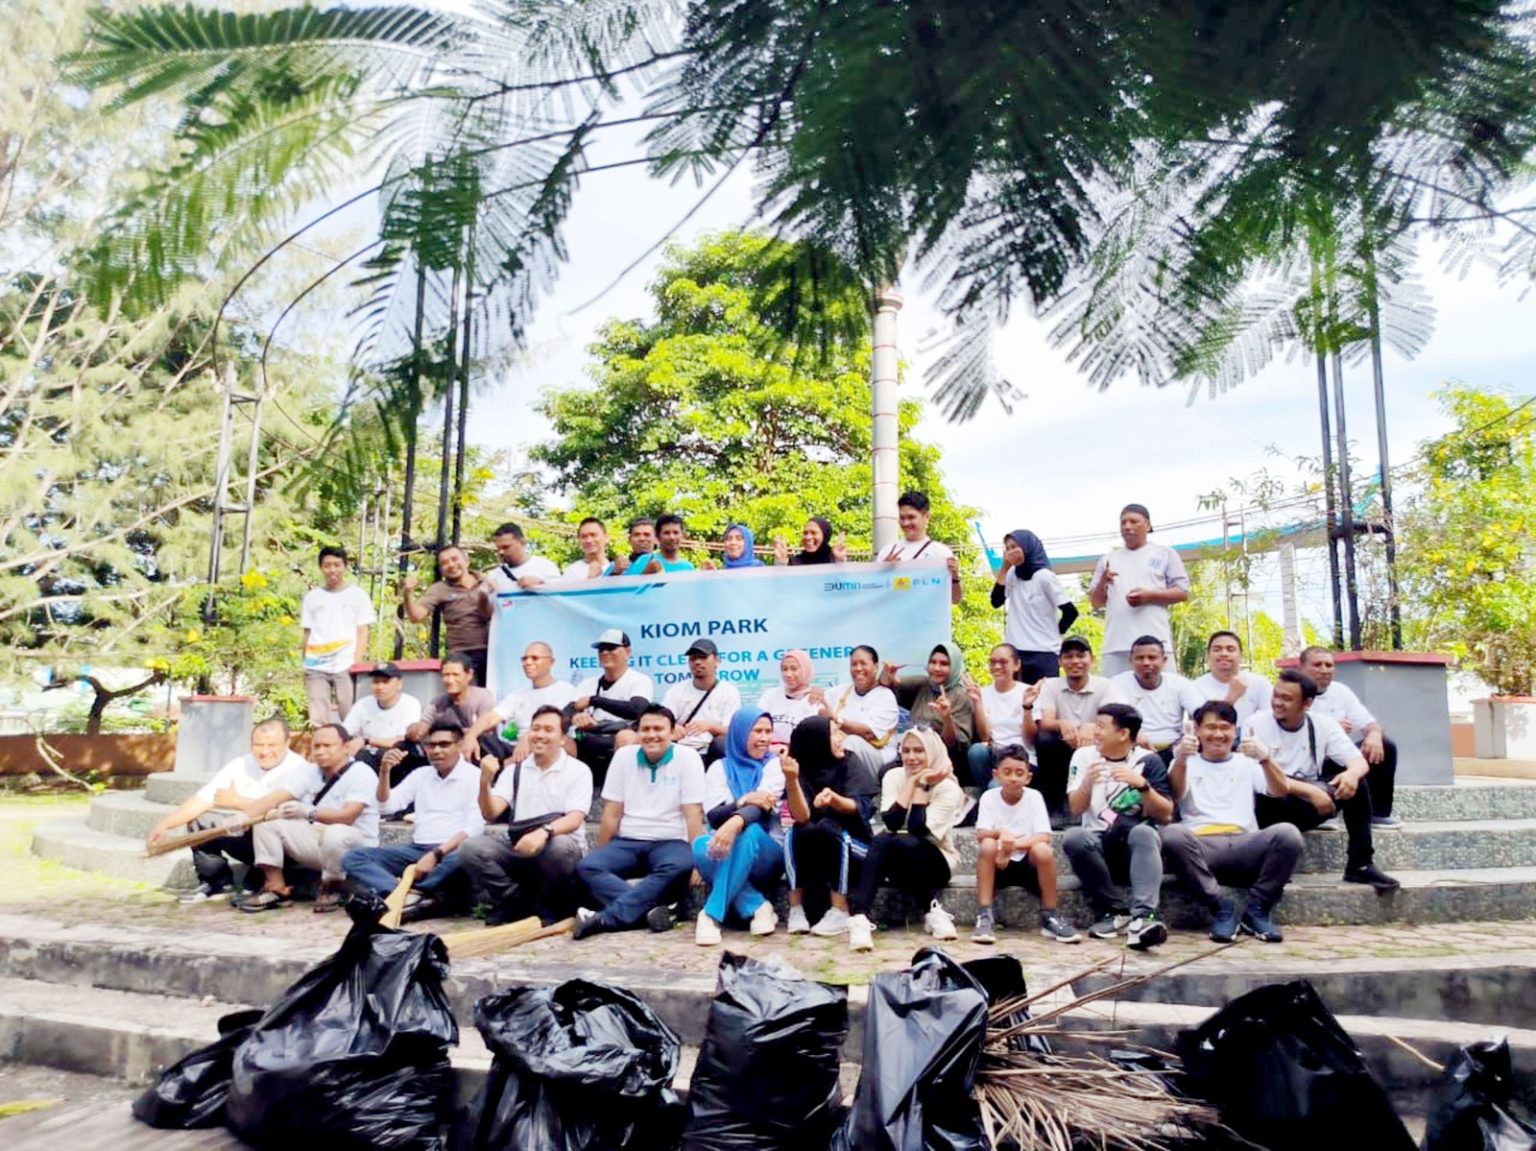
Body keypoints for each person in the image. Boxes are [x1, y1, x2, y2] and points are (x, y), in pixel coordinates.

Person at [1159, 701, 1303, 943]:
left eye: (1225, 727)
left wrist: (1266, 758)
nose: (1218, 734)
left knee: (1288, 834)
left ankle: (1257, 908)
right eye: (1210, 727)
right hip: (1202, 844)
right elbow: (1174, 795)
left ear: (1235, 730)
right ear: (1197, 730)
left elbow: (1279, 790)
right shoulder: (1184, 762)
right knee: (1172, 833)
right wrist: (1181, 759)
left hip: (1244, 842)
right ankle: (1220, 906)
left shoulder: (1247, 762)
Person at [1246, 669, 1401, 891]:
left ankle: (1361, 864)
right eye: (1276, 695)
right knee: (1270, 789)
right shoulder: (1256, 724)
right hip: (1269, 806)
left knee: (1356, 784)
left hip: (1309, 803)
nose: (1277, 703)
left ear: (1306, 704)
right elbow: (1256, 778)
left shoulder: (1323, 724)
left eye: (1286, 698)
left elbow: (1359, 762)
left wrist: (1351, 775)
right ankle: (1271, 865)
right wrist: (1311, 792)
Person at [573, 704, 706, 939]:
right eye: (645, 729)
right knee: (587, 867)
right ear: (637, 731)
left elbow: (693, 813)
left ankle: (604, 919)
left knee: (679, 867)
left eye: (658, 728)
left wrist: (698, 861)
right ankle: (651, 912)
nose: (651, 734)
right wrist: (601, 853)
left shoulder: (688, 757)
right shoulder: (624, 757)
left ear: (673, 731)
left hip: (671, 842)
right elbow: (612, 813)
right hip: (629, 841)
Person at [147, 717, 312, 903]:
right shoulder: (240, 764)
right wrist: (165, 825)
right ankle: (216, 882)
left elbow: (283, 812)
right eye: (258, 745)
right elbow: (204, 798)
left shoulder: (301, 769)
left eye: (272, 745)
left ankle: (269, 882)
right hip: (246, 838)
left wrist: (238, 802)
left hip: (286, 847)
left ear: (287, 743)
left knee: (269, 825)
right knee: (202, 820)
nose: (265, 751)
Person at [459, 706, 592, 925]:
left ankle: (550, 905)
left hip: (560, 851)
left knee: (559, 847)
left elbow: (575, 818)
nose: (540, 735)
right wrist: (484, 782)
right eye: (535, 728)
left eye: (548, 730)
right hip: (521, 849)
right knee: (471, 848)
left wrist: (544, 832)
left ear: (561, 738)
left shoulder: (577, 770)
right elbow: (491, 812)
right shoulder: (515, 770)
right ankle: (513, 901)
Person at [342, 721, 485, 919]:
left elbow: (475, 827)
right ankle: (406, 895)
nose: (436, 750)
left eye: (444, 745)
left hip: (450, 850)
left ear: (459, 746)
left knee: (463, 856)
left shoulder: (474, 776)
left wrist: (436, 854)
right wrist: (384, 771)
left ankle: (416, 894)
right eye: (431, 745)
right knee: (353, 858)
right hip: (416, 849)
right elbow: (387, 806)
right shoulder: (421, 775)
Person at [1061, 704, 1176, 950]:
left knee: (1145, 831)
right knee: (1074, 837)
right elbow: (1075, 809)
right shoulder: (1083, 757)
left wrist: (1143, 786)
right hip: (1098, 847)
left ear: (1123, 733)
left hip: (1136, 849)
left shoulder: (1148, 761)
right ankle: (1115, 910)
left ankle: (1144, 917)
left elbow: (1166, 814)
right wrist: (1088, 783)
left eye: (1102, 726)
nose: (1095, 732)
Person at [845, 728, 967, 952]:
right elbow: (891, 821)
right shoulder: (893, 776)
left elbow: (918, 829)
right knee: (883, 840)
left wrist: (922, 785)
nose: (911, 757)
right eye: (906, 751)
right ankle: (860, 917)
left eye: (919, 751)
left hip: (936, 859)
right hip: (897, 856)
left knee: (905, 842)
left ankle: (933, 910)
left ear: (932, 752)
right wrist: (912, 783)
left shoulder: (949, 788)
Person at [240, 723, 380, 914]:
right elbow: (275, 797)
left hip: (355, 846)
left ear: (346, 747)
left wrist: (308, 812)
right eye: (316, 746)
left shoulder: (362, 773)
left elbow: (348, 816)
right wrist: (243, 817)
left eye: (327, 746)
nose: (320, 752)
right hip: (318, 841)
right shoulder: (309, 771)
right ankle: (276, 888)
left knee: (336, 833)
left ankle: (333, 887)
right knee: (268, 822)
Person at [693, 710, 787, 944]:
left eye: (768, 731)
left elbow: (763, 806)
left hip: (768, 853)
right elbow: (714, 816)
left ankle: (710, 914)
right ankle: (758, 906)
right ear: (739, 733)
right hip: (727, 846)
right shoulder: (719, 768)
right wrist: (743, 801)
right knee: (698, 846)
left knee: (749, 831)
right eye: (757, 731)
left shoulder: (774, 766)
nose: (764, 738)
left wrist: (735, 822)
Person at [971, 746, 1080, 945]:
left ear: (1028, 777)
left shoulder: (1034, 797)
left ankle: (1051, 914)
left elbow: (1043, 836)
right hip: (997, 865)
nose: (1013, 778)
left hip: (1026, 864)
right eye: (1007, 772)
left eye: (1019, 773)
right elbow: (981, 834)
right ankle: (984, 914)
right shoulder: (989, 797)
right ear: (996, 775)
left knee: (1043, 851)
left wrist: (1010, 846)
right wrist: (1000, 835)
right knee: (987, 845)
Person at [782, 716, 877, 936]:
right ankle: (796, 909)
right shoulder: (801, 767)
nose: (840, 738)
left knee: (828, 827)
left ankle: (840, 909)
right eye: (834, 733)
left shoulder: (851, 762)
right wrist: (791, 780)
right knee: (796, 832)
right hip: (819, 850)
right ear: (817, 740)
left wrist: (834, 800)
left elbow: (859, 806)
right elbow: (802, 816)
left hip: (858, 848)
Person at [1300, 646, 1400, 826]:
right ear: (1302, 668)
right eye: (1317, 665)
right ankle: (1324, 812)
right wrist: (1329, 729)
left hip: (1341, 759)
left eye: (1329, 665)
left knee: (1385, 746)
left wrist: (1374, 734)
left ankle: (1377, 813)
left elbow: (1369, 722)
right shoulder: (1293, 692)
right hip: (1307, 761)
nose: (1324, 670)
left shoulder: (1340, 691)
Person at [1089, 504, 1191, 678]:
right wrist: (1103, 583)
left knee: (1161, 695)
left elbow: (1183, 591)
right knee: (1116, 701)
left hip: (1155, 644)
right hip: (1116, 644)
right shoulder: (1108, 559)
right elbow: (1095, 602)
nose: (1127, 526)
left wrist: (1149, 596)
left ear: (1148, 526)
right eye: (1123, 523)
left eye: (1134, 521)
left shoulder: (1165, 554)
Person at [462, 642, 579, 765]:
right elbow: (491, 717)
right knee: (477, 738)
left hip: (549, 745)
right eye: (524, 659)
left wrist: (529, 736)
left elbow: (557, 724)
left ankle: (502, 769)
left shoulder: (566, 691)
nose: (527, 663)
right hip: (519, 749)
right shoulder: (520, 692)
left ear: (551, 662)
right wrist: (471, 736)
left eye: (534, 658)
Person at [1031, 637, 1112, 815]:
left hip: (1096, 744)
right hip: (1063, 745)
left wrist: (1091, 727)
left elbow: (1113, 720)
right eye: (1068, 656)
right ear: (1060, 662)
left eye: (1081, 655)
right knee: (1044, 739)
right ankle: (1054, 808)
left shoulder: (1105, 686)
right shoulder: (1051, 685)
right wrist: (1061, 723)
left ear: (1092, 659)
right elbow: (1045, 721)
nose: (1075, 661)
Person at [301, 546, 377, 726]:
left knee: (350, 714)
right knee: (318, 718)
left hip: (346, 664)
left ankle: (352, 752)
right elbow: (307, 632)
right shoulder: (312, 597)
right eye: (327, 565)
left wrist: (356, 662)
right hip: (315, 665)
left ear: (345, 566)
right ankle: (322, 750)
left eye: (337, 564)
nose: (332, 570)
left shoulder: (358, 595)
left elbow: (362, 630)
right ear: (321, 568)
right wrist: (304, 661)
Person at [392, 653, 498, 781]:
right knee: (403, 748)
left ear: (469, 675)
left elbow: (486, 726)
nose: (450, 680)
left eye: (455, 675)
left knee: (478, 742)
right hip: (446, 750)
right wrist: (414, 731)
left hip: (475, 751)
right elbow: (423, 728)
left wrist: (469, 735)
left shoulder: (483, 696)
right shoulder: (438, 702)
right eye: (446, 675)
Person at [990, 530, 1077, 683]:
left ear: (1027, 547)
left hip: (1044, 652)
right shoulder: (1011, 574)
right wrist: (1005, 567)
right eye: (1007, 548)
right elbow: (996, 602)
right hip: (1016, 651)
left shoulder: (1044, 577)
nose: (1011, 551)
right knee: (1018, 701)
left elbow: (1070, 612)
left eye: (1015, 547)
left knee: (1044, 701)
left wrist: (1056, 633)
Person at [567, 629, 656, 775]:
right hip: (590, 737)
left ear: (627, 652)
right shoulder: (587, 683)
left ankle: (622, 790)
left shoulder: (639, 680)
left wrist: (594, 700)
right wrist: (575, 716)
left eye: (611, 648)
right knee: (562, 740)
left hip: (620, 735)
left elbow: (637, 709)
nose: (604, 653)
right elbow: (565, 713)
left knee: (626, 737)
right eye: (601, 649)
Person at [1104, 636, 1206, 764]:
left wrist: (1195, 732)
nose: (1146, 663)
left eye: (1152, 657)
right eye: (1140, 658)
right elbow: (1116, 716)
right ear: (1131, 661)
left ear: (1164, 660)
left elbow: (1202, 712)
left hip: (1173, 749)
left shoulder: (1179, 683)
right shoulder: (1117, 683)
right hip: (1132, 750)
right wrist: (1135, 733)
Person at [882, 643, 976, 778]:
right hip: (914, 756)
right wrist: (888, 674)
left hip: (944, 761)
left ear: (954, 667)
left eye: (944, 664)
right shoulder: (923, 685)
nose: (937, 668)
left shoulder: (961, 696)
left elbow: (954, 745)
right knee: (885, 773)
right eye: (933, 662)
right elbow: (888, 686)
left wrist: (947, 718)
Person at [401, 545, 492, 683]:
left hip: (492, 650)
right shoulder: (439, 589)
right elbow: (416, 616)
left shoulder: (488, 582)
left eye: (455, 559)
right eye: (444, 563)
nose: (451, 565)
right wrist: (408, 593)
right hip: (461, 654)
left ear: (467, 561)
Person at [821, 645, 900, 775]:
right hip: (842, 754)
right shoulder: (841, 691)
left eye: (863, 663)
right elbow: (819, 704)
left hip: (878, 760)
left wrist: (835, 719)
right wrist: (815, 694)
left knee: (852, 742)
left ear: (875, 667)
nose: (858, 669)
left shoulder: (885, 696)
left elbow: (868, 733)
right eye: (854, 664)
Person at [661, 639, 742, 762]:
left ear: (716, 660)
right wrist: (673, 727)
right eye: (693, 659)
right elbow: (661, 721)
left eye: (703, 657)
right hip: (681, 748)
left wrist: (709, 726)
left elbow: (732, 730)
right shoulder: (676, 690)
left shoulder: (729, 691)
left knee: (723, 743)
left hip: (711, 750)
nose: (697, 662)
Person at [880, 491, 963, 604]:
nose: (905, 523)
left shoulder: (941, 553)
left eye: (911, 517)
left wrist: (954, 576)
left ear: (927, 516)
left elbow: (955, 599)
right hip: (895, 620)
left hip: (929, 620)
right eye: (902, 518)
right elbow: (875, 595)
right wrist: (882, 572)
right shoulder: (888, 552)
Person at [966, 643, 1030, 790]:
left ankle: (991, 794)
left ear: (1017, 665)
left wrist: (1027, 707)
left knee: (995, 786)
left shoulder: (1027, 691)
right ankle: (986, 794)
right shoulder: (984, 692)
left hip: (1020, 756)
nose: (997, 666)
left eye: (1003, 662)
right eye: (993, 662)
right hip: (995, 754)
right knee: (976, 751)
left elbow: (1031, 738)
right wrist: (977, 702)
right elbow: (984, 736)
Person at [341, 661, 422, 769]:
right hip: (368, 755)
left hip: (397, 756)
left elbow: (402, 740)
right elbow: (344, 732)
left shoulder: (411, 704)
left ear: (399, 684)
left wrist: (366, 740)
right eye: (376, 682)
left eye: (385, 682)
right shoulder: (363, 704)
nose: (379, 687)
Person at [1192, 631, 1273, 726]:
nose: (1224, 654)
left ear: (1241, 656)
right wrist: (1232, 697)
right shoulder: (1195, 687)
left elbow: (1271, 720)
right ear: (1208, 656)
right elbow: (1205, 725)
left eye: (1230, 649)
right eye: (1217, 649)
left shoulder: (1260, 683)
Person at [756, 649, 821, 750]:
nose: (788, 674)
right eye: (784, 669)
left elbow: (812, 737)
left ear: (806, 670)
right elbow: (756, 724)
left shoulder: (815, 698)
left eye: (794, 669)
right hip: (768, 753)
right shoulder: (771, 695)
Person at [483, 521, 562, 592]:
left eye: (506, 547)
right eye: (498, 548)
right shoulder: (494, 575)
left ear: (523, 543)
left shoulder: (546, 567)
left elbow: (560, 597)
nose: (501, 552)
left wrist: (541, 584)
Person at [773, 517, 848, 565]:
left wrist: (840, 564)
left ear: (825, 536)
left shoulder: (835, 560)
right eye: (805, 533)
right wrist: (781, 564)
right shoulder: (794, 562)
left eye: (813, 533)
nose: (808, 537)